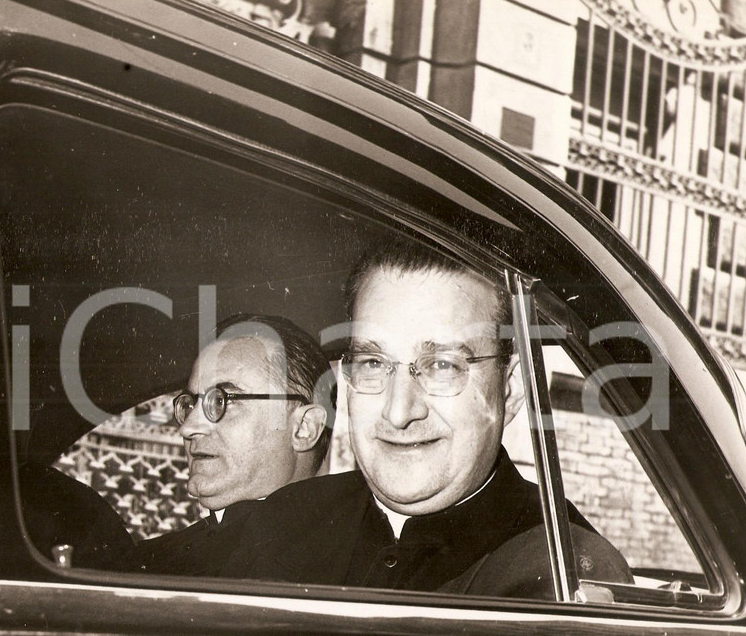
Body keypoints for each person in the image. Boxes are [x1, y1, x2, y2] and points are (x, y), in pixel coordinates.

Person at [221, 241, 631, 597]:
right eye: (373, 363)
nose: (399, 412)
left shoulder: (561, 570)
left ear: (511, 389)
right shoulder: (284, 520)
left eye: (442, 366)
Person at [122, 313, 334, 575]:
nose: (189, 427)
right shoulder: (146, 564)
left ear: (304, 428)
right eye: (190, 404)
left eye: (224, 400)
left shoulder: (356, 564)